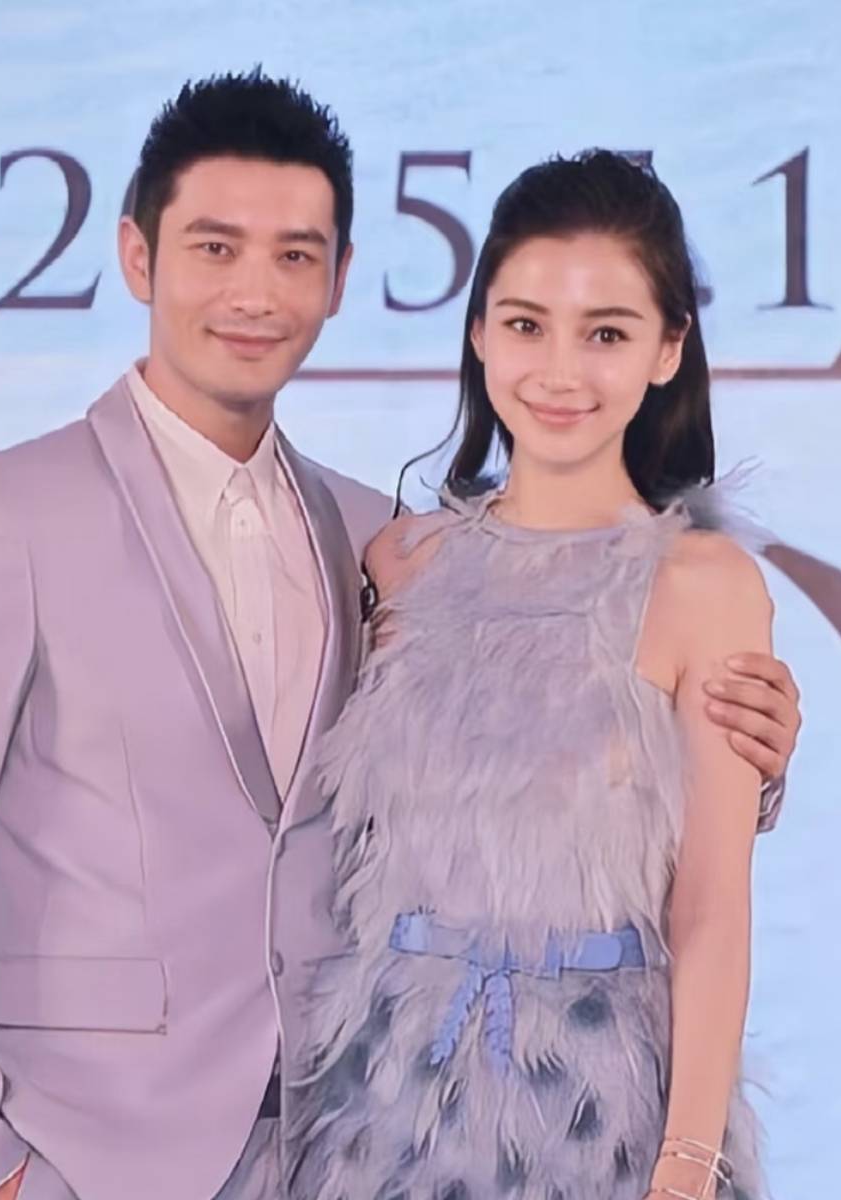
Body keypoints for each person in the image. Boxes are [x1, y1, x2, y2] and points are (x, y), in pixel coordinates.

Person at [0, 73, 799, 1200]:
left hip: (350, 1137)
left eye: (295, 254)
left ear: (340, 278)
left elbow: (539, 782)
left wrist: (738, 760)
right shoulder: (11, 513)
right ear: (139, 256)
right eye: (215, 247)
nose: (255, 292)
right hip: (96, 1154)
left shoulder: (366, 533)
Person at [286, 150, 783, 1200]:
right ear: (478, 334)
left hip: (600, 1112)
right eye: (525, 324)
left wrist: (687, 1166)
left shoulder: (704, 584)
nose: (560, 372)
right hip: (384, 1108)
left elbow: (711, 911)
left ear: (667, 349)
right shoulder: (400, 562)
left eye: (606, 332)